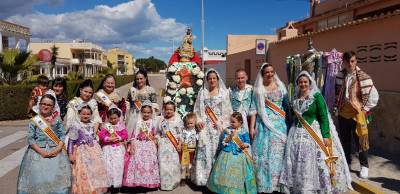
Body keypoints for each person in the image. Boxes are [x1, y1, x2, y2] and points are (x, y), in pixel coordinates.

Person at [280, 71, 352, 193]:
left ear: (309, 83)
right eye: (301, 82)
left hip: (313, 133)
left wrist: (326, 135)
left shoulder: (317, 96)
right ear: (298, 83)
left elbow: (323, 116)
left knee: (313, 161)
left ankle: (316, 188)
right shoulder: (296, 96)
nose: (303, 84)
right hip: (296, 133)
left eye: (305, 82)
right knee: (297, 161)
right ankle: (299, 187)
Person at [335, 51, 379, 179]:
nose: (350, 64)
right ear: (343, 62)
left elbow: (374, 96)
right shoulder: (339, 76)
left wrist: (364, 109)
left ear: (356, 61)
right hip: (343, 114)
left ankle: (364, 166)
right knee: (345, 141)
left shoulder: (364, 77)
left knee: (361, 141)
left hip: (358, 114)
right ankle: (346, 163)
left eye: (353, 61)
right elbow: (336, 93)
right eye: (348, 61)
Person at [17, 94, 71, 194]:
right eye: (43, 104)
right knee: (37, 177)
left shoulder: (57, 119)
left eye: (49, 105)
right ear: (39, 104)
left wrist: (58, 149)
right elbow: (30, 139)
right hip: (37, 151)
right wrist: (42, 152)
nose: (45, 106)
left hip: (56, 151)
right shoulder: (35, 120)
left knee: (55, 176)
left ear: (53, 107)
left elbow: (62, 135)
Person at [250, 63, 290, 193]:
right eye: (267, 72)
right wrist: (252, 127)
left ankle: (279, 183)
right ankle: (265, 184)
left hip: (280, 125)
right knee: (265, 155)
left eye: (272, 71)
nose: (270, 74)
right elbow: (254, 110)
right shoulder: (258, 90)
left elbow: (287, 106)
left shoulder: (281, 86)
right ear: (262, 74)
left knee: (279, 155)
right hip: (264, 126)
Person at [191, 68, 233, 186]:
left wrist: (222, 124)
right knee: (204, 151)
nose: (212, 80)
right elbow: (197, 110)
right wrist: (198, 121)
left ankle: (217, 181)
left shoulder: (224, 93)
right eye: (210, 78)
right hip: (205, 126)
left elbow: (228, 112)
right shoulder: (202, 92)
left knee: (217, 152)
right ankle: (204, 180)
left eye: (214, 78)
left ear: (218, 79)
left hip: (217, 126)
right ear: (206, 80)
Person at [207, 112, 257, 194]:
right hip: (227, 154)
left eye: (233, 122)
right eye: (231, 121)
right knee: (225, 172)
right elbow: (223, 142)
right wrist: (229, 137)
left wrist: (245, 145)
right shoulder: (227, 130)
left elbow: (247, 141)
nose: (231, 123)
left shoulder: (243, 131)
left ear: (240, 122)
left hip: (239, 155)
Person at [67, 105, 109, 194]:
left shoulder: (91, 124)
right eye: (83, 114)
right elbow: (71, 141)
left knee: (94, 170)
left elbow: (93, 137)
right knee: (84, 171)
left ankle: (94, 189)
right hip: (81, 152)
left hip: (93, 150)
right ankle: (85, 190)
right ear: (79, 114)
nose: (86, 116)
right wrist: (70, 154)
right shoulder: (75, 126)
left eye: (88, 114)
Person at [123, 100, 160, 188]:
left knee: (149, 163)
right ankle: (137, 180)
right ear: (141, 112)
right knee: (137, 161)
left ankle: (148, 181)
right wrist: (132, 145)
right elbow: (133, 135)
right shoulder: (138, 122)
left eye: (148, 112)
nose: (146, 114)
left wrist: (155, 139)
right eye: (144, 112)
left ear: (151, 112)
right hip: (138, 144)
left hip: (149, 144)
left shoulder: (153, 122)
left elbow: (156, 134)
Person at [99, 108, 128, 189]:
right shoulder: (106, 125)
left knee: (118, 165)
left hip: (118, 148)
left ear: (119, 117)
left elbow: (125, 135)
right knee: (108, 166)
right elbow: (101, 135)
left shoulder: (121, 125)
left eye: (115, 118)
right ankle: (109, 184)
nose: (113, 120)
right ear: (108, 118)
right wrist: (108, 138)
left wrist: (119, 137)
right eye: (111, 118)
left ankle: (117, 184)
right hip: (108, 149)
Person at [157, 101, 183, 190]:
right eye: (167, 109)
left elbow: (181, 134)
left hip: (173, 144)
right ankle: (164, 184)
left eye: (171, 109)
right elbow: (158, 132)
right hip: (163, 145)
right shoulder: (161, 120)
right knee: (163, 164)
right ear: (164, 109)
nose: (168, 111)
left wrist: (179, 144)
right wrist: (158, 140)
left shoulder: (178, 120)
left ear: (174, 110)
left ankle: (173, 182)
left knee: (172, 163)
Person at [126, 69, 157, 136]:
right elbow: (128, 103)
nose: (139, 81)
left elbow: (154, 104)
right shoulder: (132, 90)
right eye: (137, 79)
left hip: (146, 116)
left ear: (145, 78)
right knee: (135, 135)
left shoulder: (150, 90)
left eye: (141, 78)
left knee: (147, 135)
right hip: (134, 116)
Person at [180, 113, 197, 183]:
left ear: (195, 123)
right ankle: (183, 178)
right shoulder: (184, 131)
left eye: (191, 123)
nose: (189, 125)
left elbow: (198, 139)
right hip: (185, 149)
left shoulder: (196, 132)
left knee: (191, 164)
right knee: (184, 164)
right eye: (188, 123)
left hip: (192, 150)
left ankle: (189, 177)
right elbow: (181, 138)